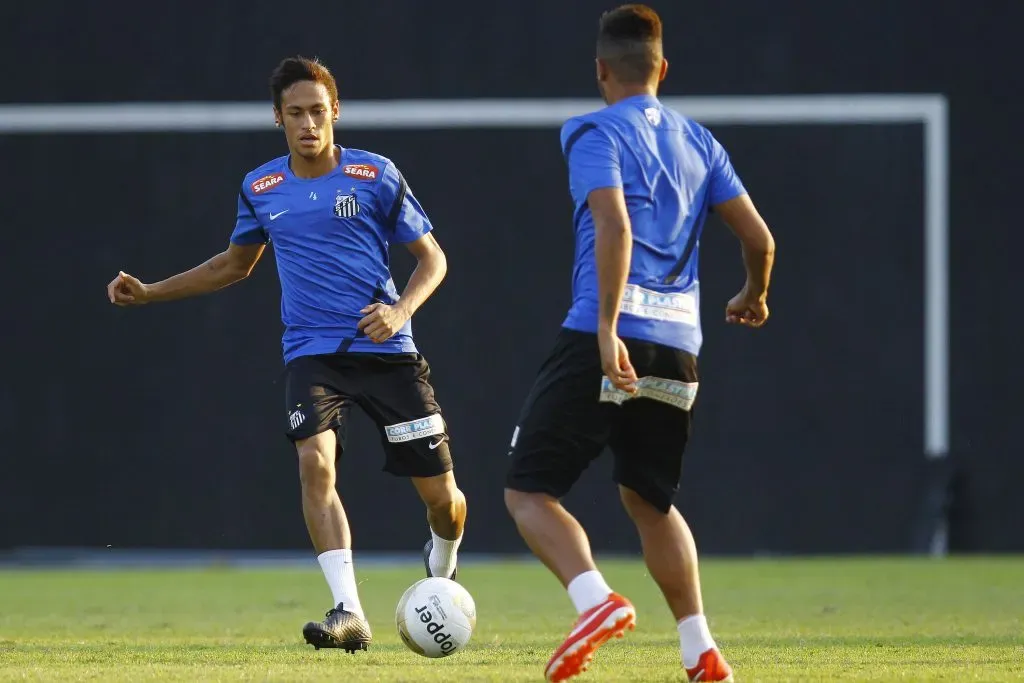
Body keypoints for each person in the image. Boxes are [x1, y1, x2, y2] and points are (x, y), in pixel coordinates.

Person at [106, 56, 467, 654]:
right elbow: (232, 265)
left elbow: (434, 260)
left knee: (443, 503)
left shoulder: (376, 175)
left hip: (387, 351)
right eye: (295, 112)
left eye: (318, 111)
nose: (308, 123)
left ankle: (444, 556)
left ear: (335, 112)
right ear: (278, 117)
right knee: (315, 464)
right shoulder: (261, 186)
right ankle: (349, 611)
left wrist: (399, 312)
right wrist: (150, 292)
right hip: (312, 355)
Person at [503, 5, 776, 682]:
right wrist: (754, 294)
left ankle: (593, 600)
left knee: (527, 492)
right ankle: (701, 647)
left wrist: (604, 327)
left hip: (612, 332)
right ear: (663, 69)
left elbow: (614, 226)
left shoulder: (593, 130)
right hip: (681, 344)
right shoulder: (701, 143)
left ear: (601, 70)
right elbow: (760, 240)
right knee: (650, 501)